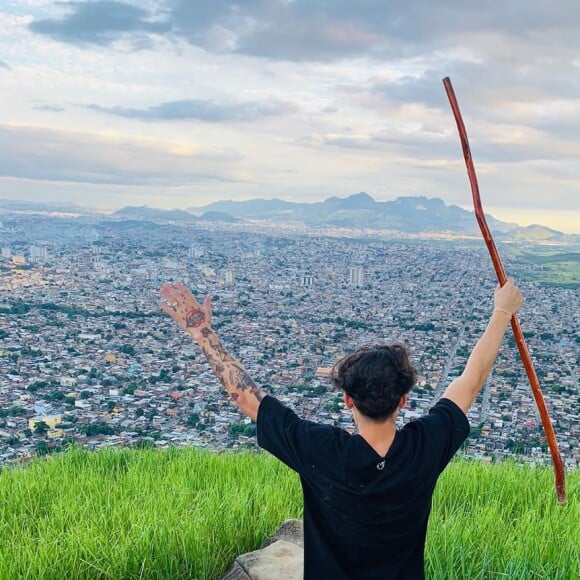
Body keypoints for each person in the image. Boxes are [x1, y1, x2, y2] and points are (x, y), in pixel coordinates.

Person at [160, 279, 523, 579]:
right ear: (404, 400)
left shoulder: (320, 450)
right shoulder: (425, 447)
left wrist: (201, 330)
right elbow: (471, 380)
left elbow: (245, 395)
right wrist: (502, 312)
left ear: (348, 401)